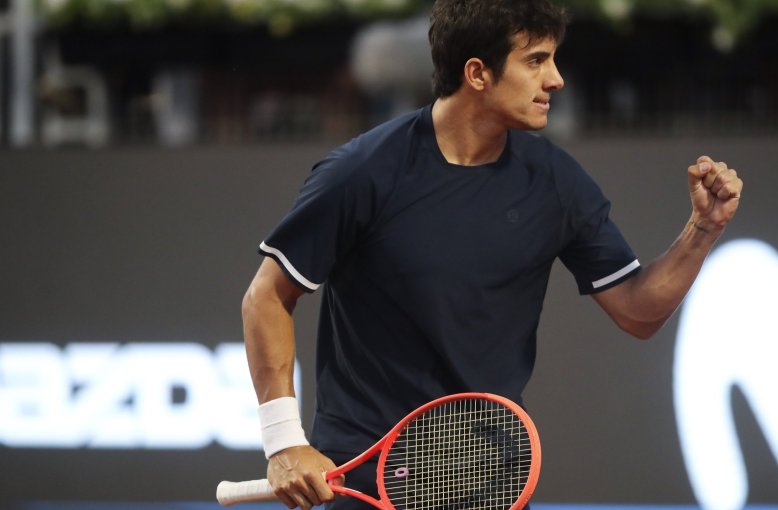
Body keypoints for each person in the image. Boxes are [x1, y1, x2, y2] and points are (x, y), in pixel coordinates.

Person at [241, 0, 743, 509]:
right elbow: (267, 297)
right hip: (367, 479)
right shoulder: (363, 172)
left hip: (490, 483)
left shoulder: (557, 183)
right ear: (478, 73)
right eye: (536, 61)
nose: (556, 79)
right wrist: (284, 443)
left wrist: (702, 229)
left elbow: (638, 311)